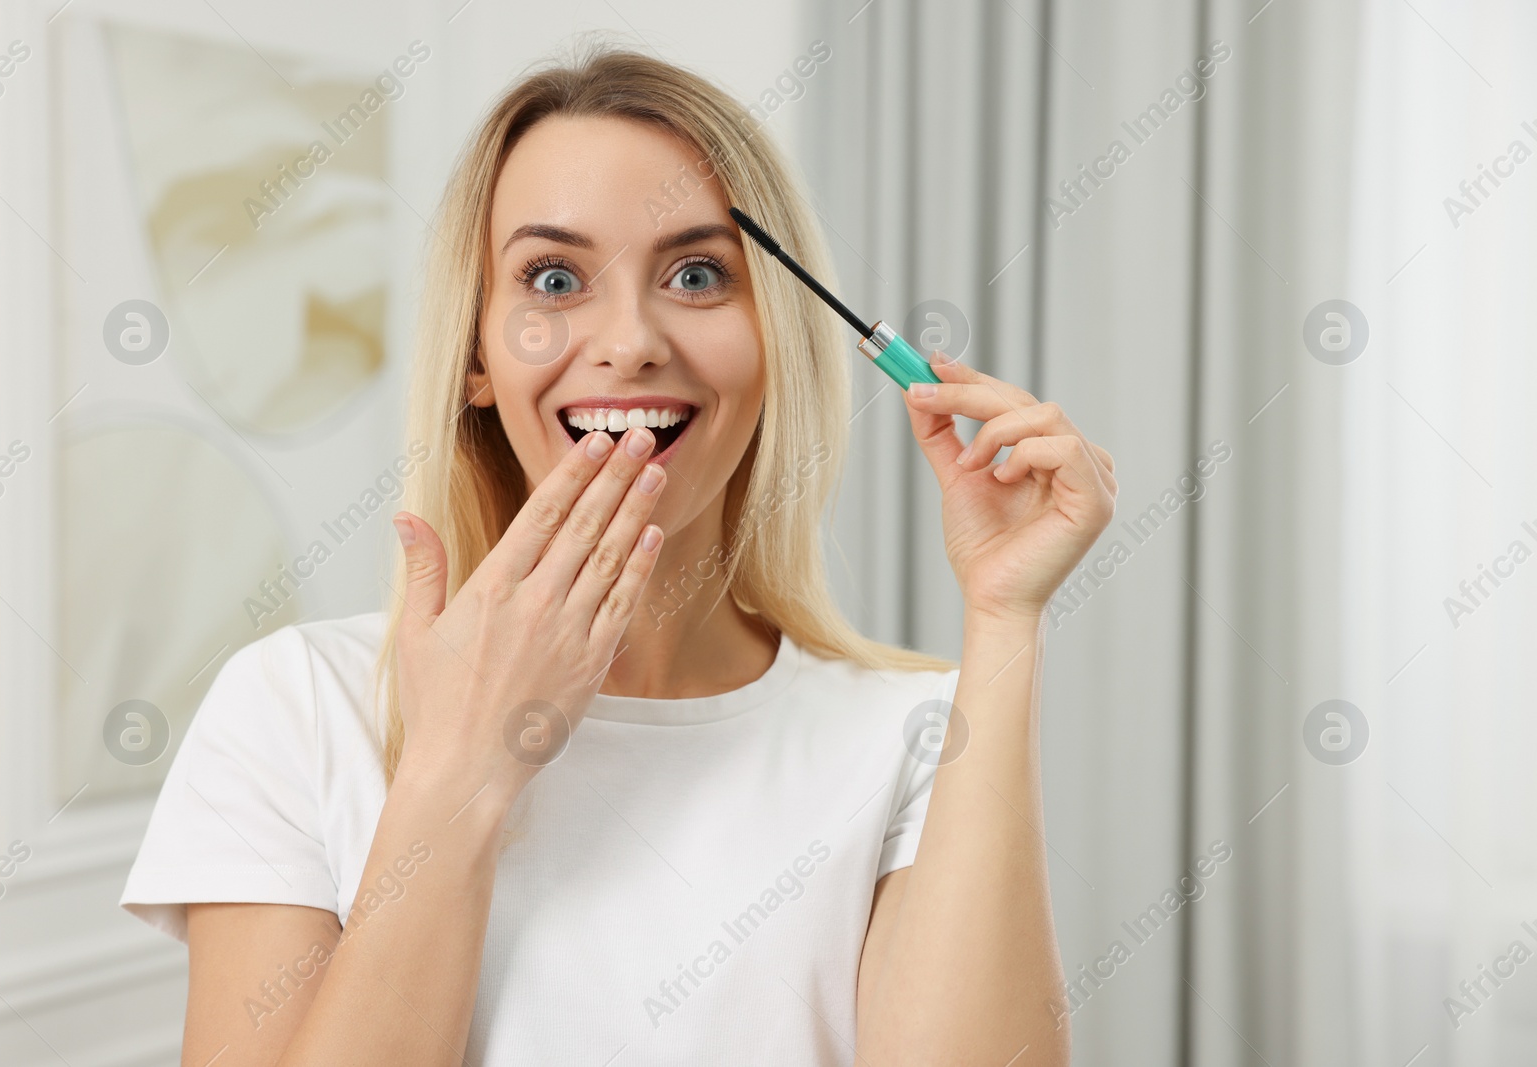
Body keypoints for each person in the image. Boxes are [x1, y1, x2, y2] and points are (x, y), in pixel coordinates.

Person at [120, 41, 1117, 1067]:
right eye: (553, 277)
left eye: (695, 274)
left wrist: (1004, 618)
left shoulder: (911, 733)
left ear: (776, 338)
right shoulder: (295, 705)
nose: (631, 338)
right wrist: (462, 766)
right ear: (475, 357)